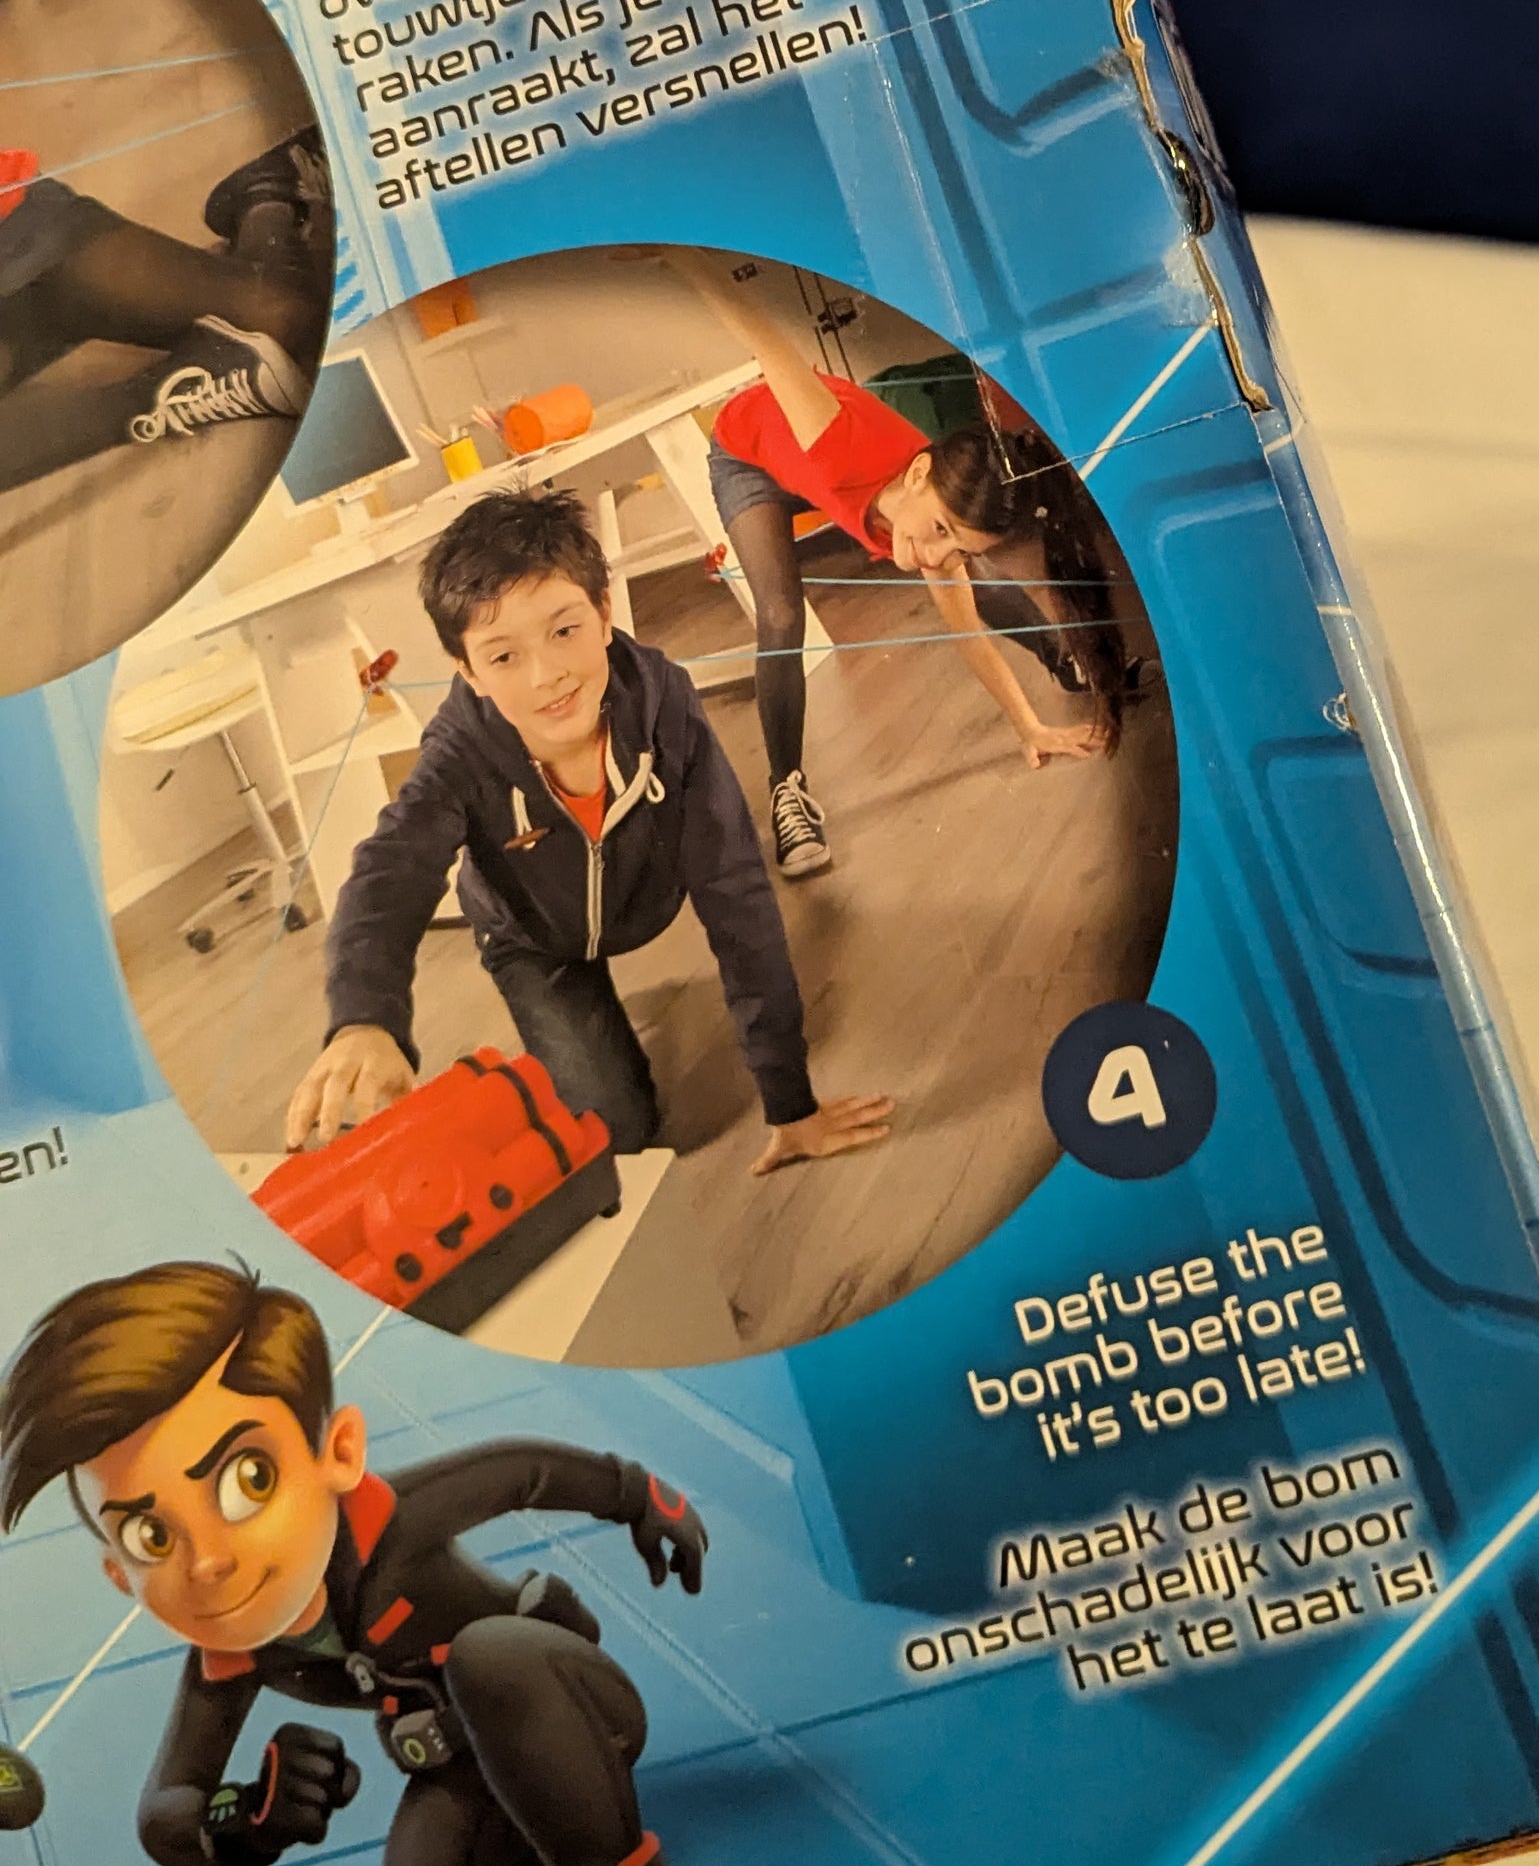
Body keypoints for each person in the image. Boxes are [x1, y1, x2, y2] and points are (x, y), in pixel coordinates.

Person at [0, 1258, 711, 1866]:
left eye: (248, 1480)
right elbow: (167, 1810)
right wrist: (248, 1820)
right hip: (459, 1761)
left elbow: (522, 1473)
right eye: (151, 1536)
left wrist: (642, 1497)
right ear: (117, 1573)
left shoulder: (395, 1522)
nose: (206, 1563)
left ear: (337, 1454)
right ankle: (544, 1811)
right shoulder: (232, 1654)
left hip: (568, 1700)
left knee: (489, 1656)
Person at [286, 484, 893, 1170]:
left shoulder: (664, 705)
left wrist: (791, 1104)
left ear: (604, 614)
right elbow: (390, 869)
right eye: (503, 656)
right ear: (469, 672)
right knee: (615, 1133)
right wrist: (364, 1017)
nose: (547, 675)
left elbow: (737, 893)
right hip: (532, 938)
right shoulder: (460, 751)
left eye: (564, 630)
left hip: (645, 901)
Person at [686, 255, 1142, 880]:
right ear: (919, 474)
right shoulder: (835, 440)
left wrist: (1030, 727)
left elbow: (969, 633)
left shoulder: (926, 520)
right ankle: (786, 789)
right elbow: (762, 336)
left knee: (973, 588)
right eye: (942, 532)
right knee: (782, 614)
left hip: (818, 473)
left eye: (957, 546)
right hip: (749, 455)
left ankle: (1064, 660)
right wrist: (682, 256)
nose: (935, 555)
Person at [0, 125, 330, 493]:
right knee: (283, 323)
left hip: (16, 235)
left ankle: (265, 195)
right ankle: (165, 391)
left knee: (283, 316)